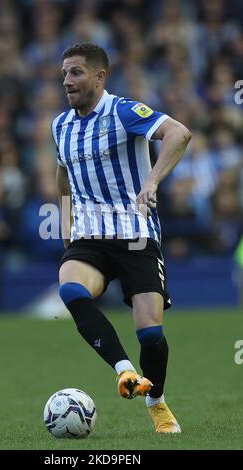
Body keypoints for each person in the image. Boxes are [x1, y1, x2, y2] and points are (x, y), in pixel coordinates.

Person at [52, 43, 191, 433]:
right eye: (64, 73)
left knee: (151, 334)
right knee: (71, 289)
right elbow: (62, 174)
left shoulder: (124, 111)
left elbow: (179, 133)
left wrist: (151, 180)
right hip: (90, 237)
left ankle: (156, 399)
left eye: (76, 72)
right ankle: (124, 370)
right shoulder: (60, 126)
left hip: (135, 235)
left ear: (100, 77)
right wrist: (66, 223)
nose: (67, 81)